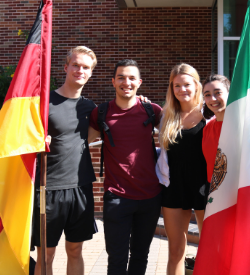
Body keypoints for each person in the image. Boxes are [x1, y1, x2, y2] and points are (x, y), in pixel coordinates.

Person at [88, 59, 162, 275]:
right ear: (113, 81)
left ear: (139, 82)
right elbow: (80, 141)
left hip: (150, 196)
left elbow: (177, 133)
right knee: (117, 258)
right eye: (121, 77)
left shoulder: (152, 110)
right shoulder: (101, 113)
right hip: (117, 196)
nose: (126, 82)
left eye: (131, 78)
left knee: (141, 255)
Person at [32, 46, 98, 275]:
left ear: (91, 73)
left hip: (81, 188)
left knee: (75, 250)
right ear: (66, 68)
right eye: (76, 65)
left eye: (86, 67)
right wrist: (36, 142)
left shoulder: (90, 108)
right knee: (46, 254)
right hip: (47, 189)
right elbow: (22, 139)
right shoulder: (44, 102)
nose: (80, 70)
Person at [158, 64, 208, 275]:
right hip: (174, 188)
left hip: (206, 189)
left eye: (186, 84)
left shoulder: (210, 112)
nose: (182, 90)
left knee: (210, 248)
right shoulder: (166, 116)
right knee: (176, 250)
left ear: (196, 86)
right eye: (176, 85)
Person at [201, 74, 230, 192]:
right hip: (213, 190)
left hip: (236, 191)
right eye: (207, 95)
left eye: (218, 93)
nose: (212, 99)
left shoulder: (242, 126)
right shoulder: (207, 128)